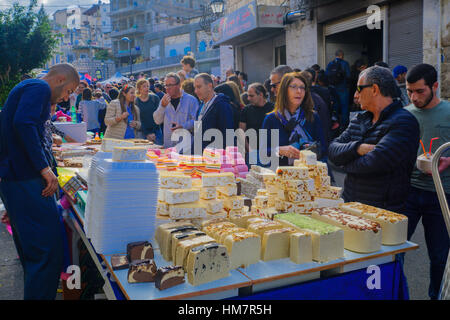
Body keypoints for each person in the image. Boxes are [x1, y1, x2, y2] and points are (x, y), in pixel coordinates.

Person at [0, 63, 79, 300]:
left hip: (18, 180)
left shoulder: (31, 88)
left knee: (36, 255)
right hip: (25, 179)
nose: (67, 97)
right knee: (46, 253)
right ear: (60, 79)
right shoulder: (38, 87)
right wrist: (45, 169)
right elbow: (23, 124)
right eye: (68, 91)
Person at [328, 66, 420, 212]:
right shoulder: (359, 119)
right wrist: (357, 148)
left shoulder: (404, 122)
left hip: (383, 212)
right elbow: (332, 150)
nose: (355, 95)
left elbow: (375, 163)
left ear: (375, 89)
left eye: (359, 89)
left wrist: (344, 163)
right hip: (350, 206)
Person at [403, 63, 450, 300]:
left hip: (442, 194)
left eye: (419, 91)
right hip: (408, 191)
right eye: (409, 91)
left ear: (434, 86)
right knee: (395, 249)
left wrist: (448, 160)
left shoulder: (448, 112)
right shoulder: (405, 113)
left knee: (440, 256)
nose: (414, 97)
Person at [262, 72, 327, 168]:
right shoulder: (271, 119)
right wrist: (279, 150)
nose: (299, 91)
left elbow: (323, 149)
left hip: (309, 175)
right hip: (281, 176)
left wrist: (313, 150)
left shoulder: (313, 117)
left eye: (302, 87)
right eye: (294, 87)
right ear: (284, 90)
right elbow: (262, 152)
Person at [153, 73, 199, 148]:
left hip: (186, 148)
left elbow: (197, 121)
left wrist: (183, 126)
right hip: (169, 146)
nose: (167, 88)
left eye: (170, 85)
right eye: (166, 85)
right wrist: (162, 106)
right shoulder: (164, 100)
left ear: (179, 85)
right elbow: (157, 121)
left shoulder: (191, 100)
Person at [193, 73, 234, 152]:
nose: (196, 91)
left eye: (199, 87)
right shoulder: (201, 106)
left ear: (209, 86)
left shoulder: (222, 105)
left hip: (216, 158)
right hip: (201, 156)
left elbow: (228, 135)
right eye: (195, 88)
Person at [239, 83, 274, 157]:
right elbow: (241, 133)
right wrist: (249, 150)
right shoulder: (246, 110)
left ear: (261, 94)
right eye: (248, 95)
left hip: (271, 152)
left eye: (251, 96)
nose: (248, 98)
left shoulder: (273, 109)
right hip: (253, 152)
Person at [326, 49, 351, 128]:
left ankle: (334, 123)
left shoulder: (330, 64)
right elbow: (348, 76)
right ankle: (344, 125)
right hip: (343, 88)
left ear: (335, 55)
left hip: (333, 88)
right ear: (342, 55)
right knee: (344, 107)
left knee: (335, 106)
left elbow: (326, 75)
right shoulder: (345, 63)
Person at [135, 79, 162, 144]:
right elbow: (137, 119)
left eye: (147, 86)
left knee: (158, 152)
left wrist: (152, 133)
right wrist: (147, 133)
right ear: (139, 89)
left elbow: (159, 115)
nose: (147, 88)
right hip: (142, 132)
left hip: (156, 131)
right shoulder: (135, 101)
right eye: (144, 86)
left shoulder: (155, 98)